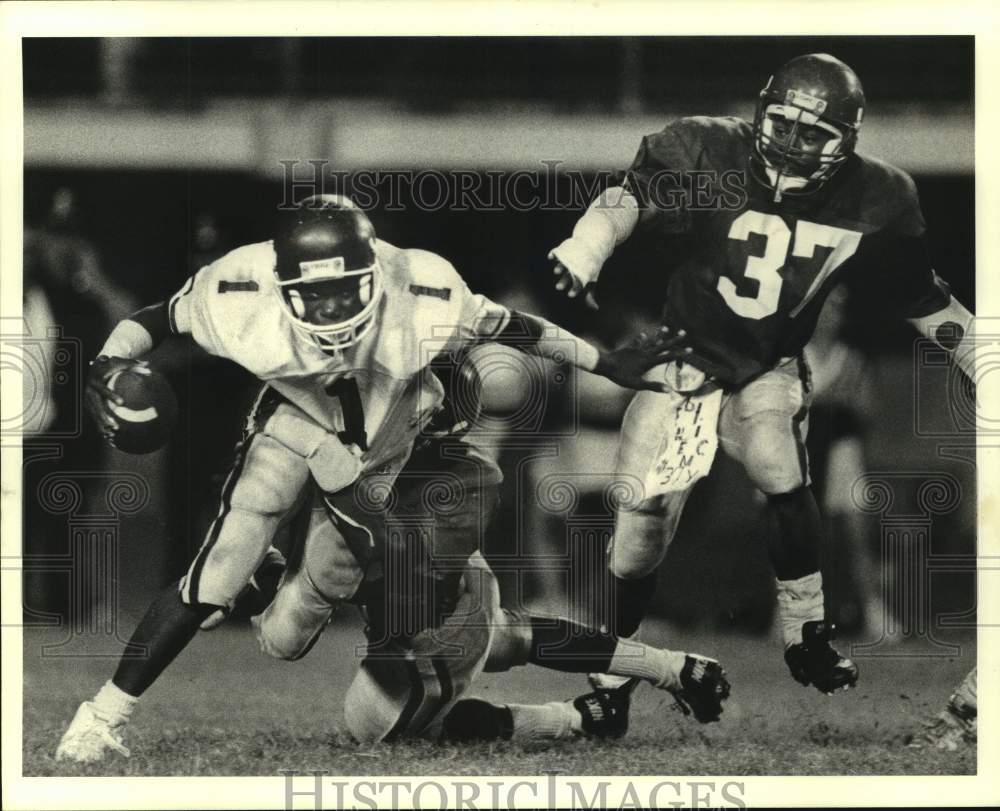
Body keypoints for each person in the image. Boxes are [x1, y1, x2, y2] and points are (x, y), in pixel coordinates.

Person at [55, 194, 692, 763]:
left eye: (345, 291)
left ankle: (282, 577)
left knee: (299, 641)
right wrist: (108, 364)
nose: (331, 310)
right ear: (282, 286)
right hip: (297, 416)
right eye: (315, 295)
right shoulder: (239, 290)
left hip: (384, 457)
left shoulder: (424, 298)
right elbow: (158, 317)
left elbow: (518, 328)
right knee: (220, 574)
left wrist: (606, 363)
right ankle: (103, 713)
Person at [548, 53, 976, 695]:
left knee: (778, 459)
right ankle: (611, 685)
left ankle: (808, 635)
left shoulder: (878, 195)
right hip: (684, 362)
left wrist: (981, 356)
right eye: (785, 125)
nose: (796, 145)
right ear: (761, 112)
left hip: (768, 365)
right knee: (641, 531)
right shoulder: (708, 147)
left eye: (815, 134)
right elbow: (628, 197)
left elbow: (922, 299)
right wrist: (586, 248)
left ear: (846, 140)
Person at [251, 360, 730, 744]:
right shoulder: (436, 463)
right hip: (453, 588)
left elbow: (302, 631)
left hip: (433, 604)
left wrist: (280, 580)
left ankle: (574, 720)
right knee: (503, 634)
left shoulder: (423, 485)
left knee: (377, 726)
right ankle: (673, 667)